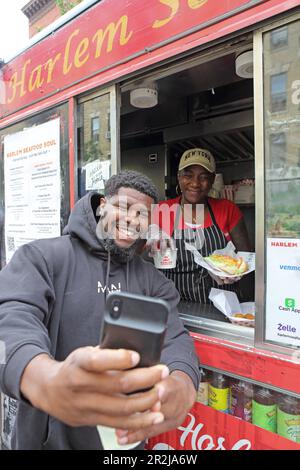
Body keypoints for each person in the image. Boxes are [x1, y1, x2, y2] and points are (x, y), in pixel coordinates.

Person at [0, 170, 199, 450]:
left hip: (122, 443)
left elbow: (176, 340)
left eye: (142, 214)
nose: (132, 219)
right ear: (103, 205)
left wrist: (183, 381)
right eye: (124, 207)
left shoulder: (154, 283)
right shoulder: (43, 258)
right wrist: (44, 379)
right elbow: (10, 319)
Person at [152, 148, 251, 303]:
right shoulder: (162, 211)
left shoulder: (227, 209)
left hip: (223, 303)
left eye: (203, 177)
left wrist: (236, 277)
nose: (195, 183)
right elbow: (147, 260)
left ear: (212, 180)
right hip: (173, 304)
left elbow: (246, 258)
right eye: (188, 175)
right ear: (179, 177)